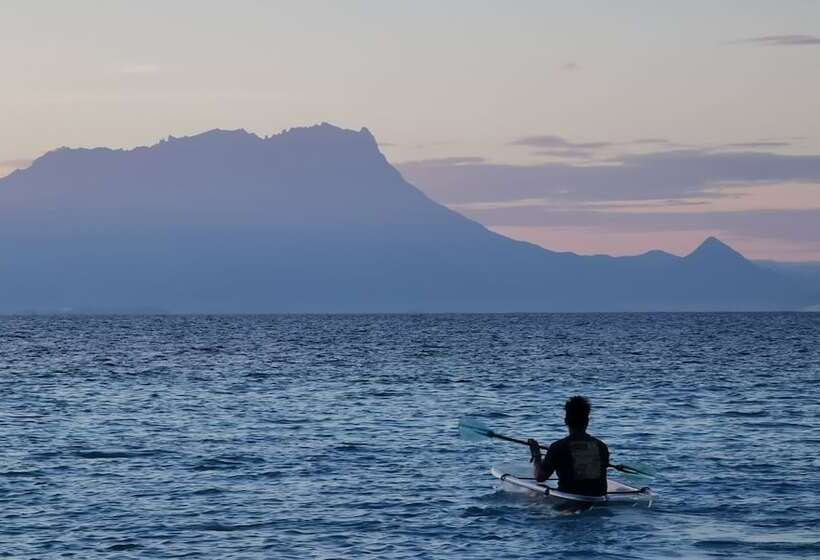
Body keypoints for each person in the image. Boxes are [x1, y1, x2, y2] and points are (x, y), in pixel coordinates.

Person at [527, 395, 610, 497]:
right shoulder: (601, 446)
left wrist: (536, 454)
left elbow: (540, 477)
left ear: (565, 421)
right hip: (597, 498)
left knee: (532, 493)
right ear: (587, 421)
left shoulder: (558, 447)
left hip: (569, 500)